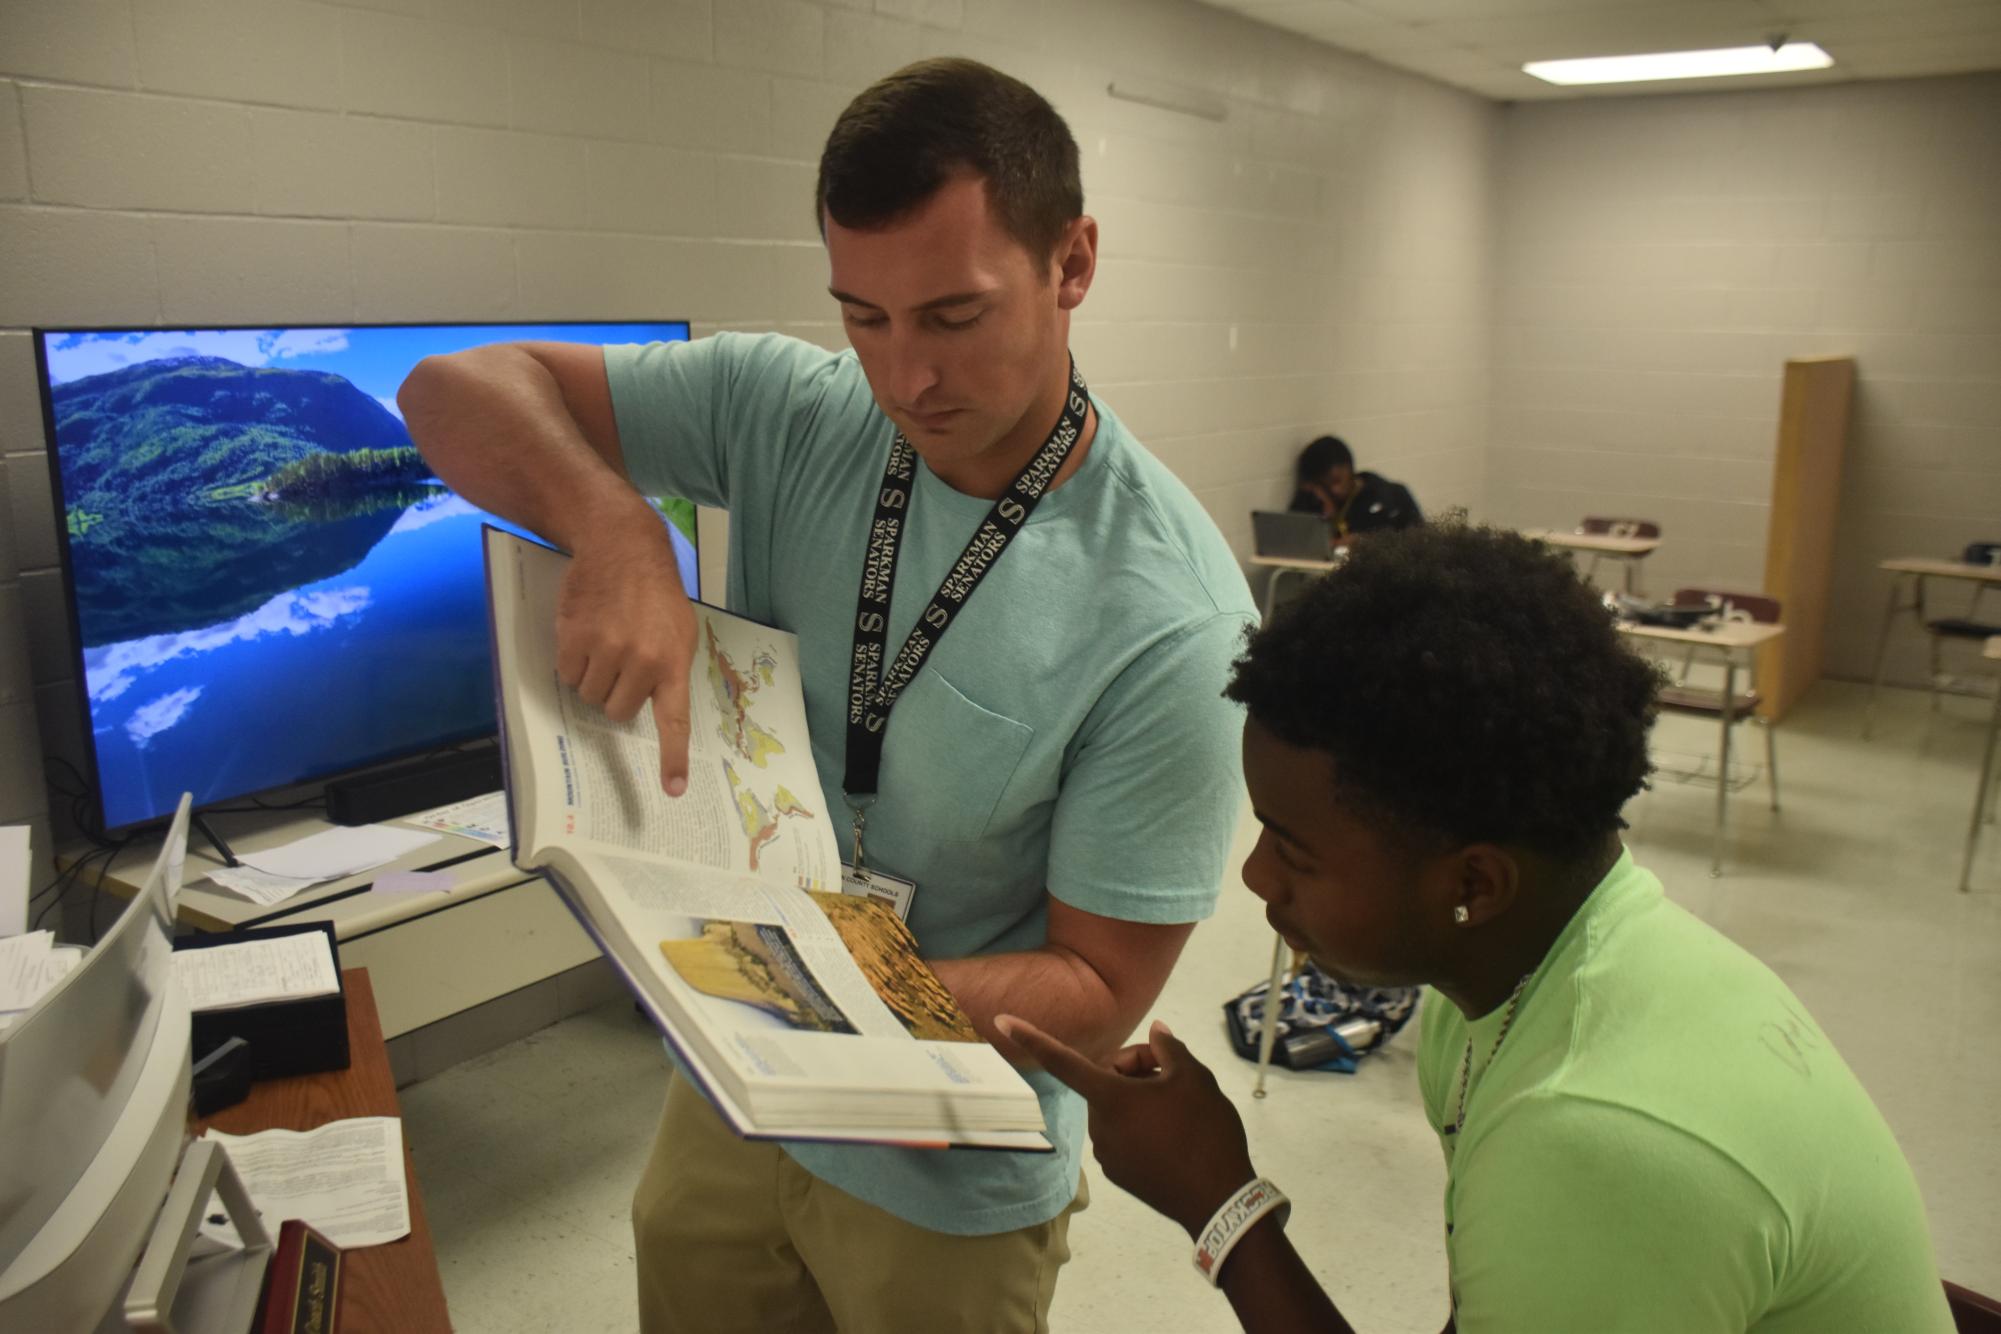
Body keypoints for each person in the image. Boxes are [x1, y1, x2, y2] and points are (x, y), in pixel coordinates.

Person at [398, 57, 1256, 1334]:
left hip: (947, 1164)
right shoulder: (790, 411)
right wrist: (618, 524)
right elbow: (449, 392)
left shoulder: (1169, 616)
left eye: (953, 318)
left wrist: (815, 982)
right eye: (865, 316)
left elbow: (1097, 984)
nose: (904, 378)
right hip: (739, 1087)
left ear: (1072, 263)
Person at [1000, 524, 1954, 1334]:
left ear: (1474, 882)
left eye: (1292, 851)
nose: (1253, 877)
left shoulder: (1595, 1137)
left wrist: (1221, 1203)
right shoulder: (1512, 982)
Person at [1288, 434, 1420, 539]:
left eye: (1337, 481)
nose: (1335, 490)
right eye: (1325, 486)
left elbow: (1418, 540)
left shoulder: (1390, 496)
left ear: (1349, 468)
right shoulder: (1311, 504)